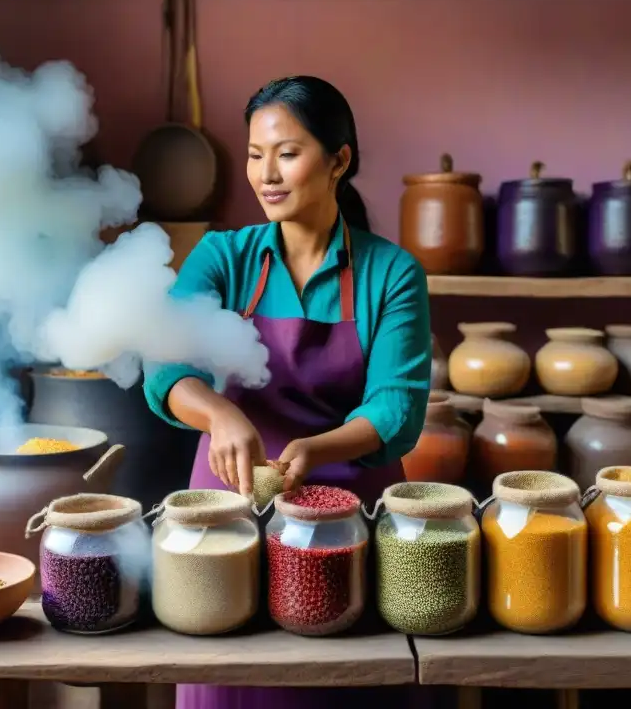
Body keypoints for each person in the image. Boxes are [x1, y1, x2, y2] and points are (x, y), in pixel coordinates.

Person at [144, 75, 433, 709]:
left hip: (346, 524)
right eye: (254, 154)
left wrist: (316, 447)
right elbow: (164, 368)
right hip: (225, 525)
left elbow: (397, 408)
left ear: (340, 160)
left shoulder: (391, 273)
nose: (266, 174)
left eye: (287, 152)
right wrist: (219, 414)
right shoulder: (224, 257)